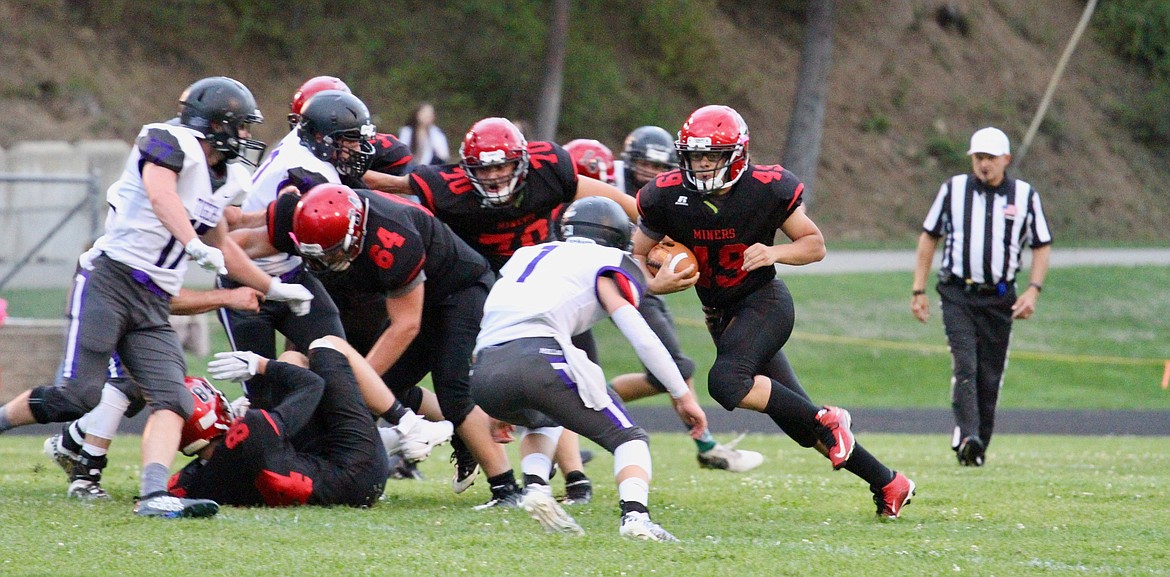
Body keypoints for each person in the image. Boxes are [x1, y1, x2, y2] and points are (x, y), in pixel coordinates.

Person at [0, 76, 316, 518]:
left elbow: (224, 245)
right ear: (216, 124)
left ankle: (152, 496)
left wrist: (273, 287)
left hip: (153, 301)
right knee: (77, 397)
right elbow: (161, 196)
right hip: (110, 280)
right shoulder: (167, 141)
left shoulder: (226, 176)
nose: (246, 137)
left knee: (173, 398)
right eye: (241, 127)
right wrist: (190, 242)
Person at [634, 104, 915, 519]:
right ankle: (889, 482)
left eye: (712, 155)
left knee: (727, 383)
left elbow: (814, 244)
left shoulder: (767, 188)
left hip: (763, 303)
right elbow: (636, 257)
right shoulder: (665, 197)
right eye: (695, 156)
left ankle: (829, 419)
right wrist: (653, 283)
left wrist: (774, 251)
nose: (703, 164)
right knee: (800, 424)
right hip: (722, 317)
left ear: (738, 155)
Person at [371, 117, 639, 503]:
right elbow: (395, 184)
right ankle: (479, 447)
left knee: (573, 378)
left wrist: (649, 223)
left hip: (547, 288)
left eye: (502, 166)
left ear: (523, 162)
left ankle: (575, 479)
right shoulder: (449, 188)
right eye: (485, 168)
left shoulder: (549, 170)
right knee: (465, 379)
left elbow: (592, 192)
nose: (495, 177)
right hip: (485, 293)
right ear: (467, 170)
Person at [238, 182, 521, 509]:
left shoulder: (392, 240)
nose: (324, 263)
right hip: (410, 298)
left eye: (331, 252)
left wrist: (351, 381)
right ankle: (466, 433)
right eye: (315, 254)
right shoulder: (302, 217)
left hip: (457, 292)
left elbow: (406, 325)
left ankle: (507, 489)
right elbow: (243, 242)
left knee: (451, 390)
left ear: (355, 234)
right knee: (383, 389)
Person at [471, 196, 707, 541]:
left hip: (485, 369)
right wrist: (681, 393)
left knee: (547, 415)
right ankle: (636, 519)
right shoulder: (609, 260)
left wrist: (497, 401)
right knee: (630, 438)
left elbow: (494, 317)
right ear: (616, 235)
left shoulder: (527, 256)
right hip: (538, 356)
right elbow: (639, 333)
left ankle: (536, 490)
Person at [603, 125, 765, 474]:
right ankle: (707, 446)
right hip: (595, 275)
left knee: (672, 370)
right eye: (644, 163)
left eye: (659, 167)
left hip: (638, 280)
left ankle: (582, 401)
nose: (651, 172)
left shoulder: (676, 191)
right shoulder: (609, 178)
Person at [169, 336, 452, 507]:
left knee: (291, 357)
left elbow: (175, 486)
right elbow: (312, 384)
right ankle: (407, 424)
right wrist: (259, 364)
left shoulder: (199, 481)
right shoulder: (252, 429)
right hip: (359, 470)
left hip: (328, 473)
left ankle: (389, 439)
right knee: (326, 346)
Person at [911, 126, 1052, 467]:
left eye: (990, 158)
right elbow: (929, 237)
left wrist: (1033, 290)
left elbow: (1041, 244)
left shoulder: (1024, 196)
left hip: (1000, 297)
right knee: (966, 365)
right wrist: (919, 289)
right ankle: (967, 433)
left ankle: (977, 447)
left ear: (1006, 159)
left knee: (989, 374)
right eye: (978, 158)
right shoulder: (953, 190)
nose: (983, 164)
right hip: (958, 291)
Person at [398, 102, 450, 166]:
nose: (427, 116)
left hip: (430, 167)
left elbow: (443, 155)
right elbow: (402, 152)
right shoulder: (407, 131)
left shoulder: (437, 133)